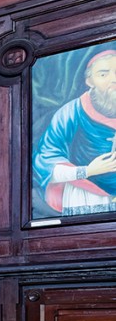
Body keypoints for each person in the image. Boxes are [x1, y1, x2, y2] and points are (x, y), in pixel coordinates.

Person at [35, 48, 116, 215]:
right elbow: (45, 165)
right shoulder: (71, 112)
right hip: (87, 196)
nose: (113, 80)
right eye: (103, 74)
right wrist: (88, 171)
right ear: (89, 81)